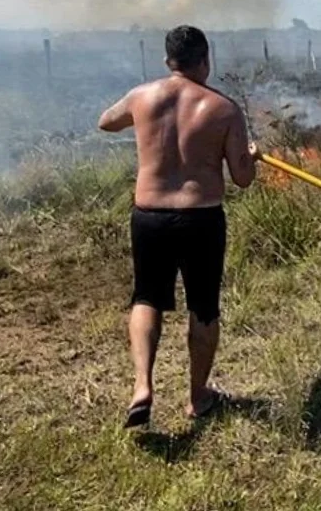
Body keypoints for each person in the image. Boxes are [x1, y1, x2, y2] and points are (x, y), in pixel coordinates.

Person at [97, 25, 259, 428]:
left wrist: (140, 120)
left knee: (146, 298)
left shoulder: (142, 96)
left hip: (148, 215)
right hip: (200, 218)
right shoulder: (223, 108)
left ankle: (142, 387)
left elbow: (105, 122)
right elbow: (242, 178)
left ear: (169, 61)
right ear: (205, 60)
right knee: (203, 306)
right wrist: (251, 156)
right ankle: (198, 396)